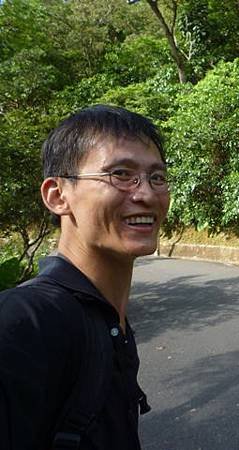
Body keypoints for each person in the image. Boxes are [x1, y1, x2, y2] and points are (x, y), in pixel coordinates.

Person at [0, 105, 170, 450]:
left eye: (158, 177)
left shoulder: (110, 321)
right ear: (58, 195)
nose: (147, 194)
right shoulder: (23, 322)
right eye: (121, 174)